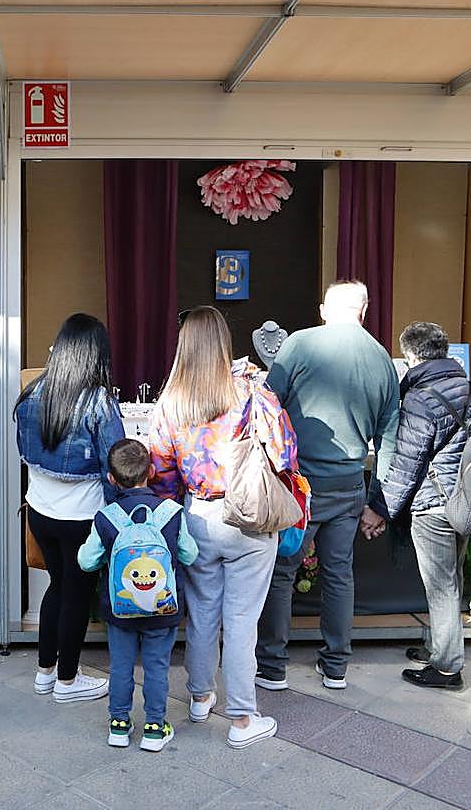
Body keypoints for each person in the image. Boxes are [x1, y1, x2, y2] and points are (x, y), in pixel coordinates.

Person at [150, 306, 297, 749]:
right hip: (249, 518)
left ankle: (199, 698)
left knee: (202, 615)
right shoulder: (251, 391)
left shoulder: (171, 400)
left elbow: (160, 472)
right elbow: (286, 452)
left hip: (198, 517)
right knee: (240, 620)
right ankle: (241, 718)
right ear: (223, 342)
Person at [256, 281, 400, 691]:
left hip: (300, 485)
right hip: (351, 482)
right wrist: (378, 503)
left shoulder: (301, 344)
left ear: (323, 309)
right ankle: (335, 665)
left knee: (282, 571)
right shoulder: (382, 359)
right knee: (340, 575)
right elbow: (390, 440)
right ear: (365, 310)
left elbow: (266, 405)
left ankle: (272, 666)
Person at [16, 313, 124, 703]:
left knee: (56, 588)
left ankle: (45, 671)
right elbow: (117, 464)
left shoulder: (32, 393)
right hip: (81, 518)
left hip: (40, 511)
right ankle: (67, 680)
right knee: (77, 595)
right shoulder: (99, 402)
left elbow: (24, 452)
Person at [381, 322, 471, 690]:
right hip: (468, 501)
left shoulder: (419, 397)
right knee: (452, 579)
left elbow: (407, 462)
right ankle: (437, 646)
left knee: (442, 585)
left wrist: (382, 510)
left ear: (410, 356)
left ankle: (446, 667)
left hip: (434, 506)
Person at [78, 439, 198, 752]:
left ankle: (119, 725)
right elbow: (190, 554)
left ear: (111, 478)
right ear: (152, 471)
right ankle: (155, 728)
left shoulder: (107, 517)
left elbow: (86, 561)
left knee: (121, 665)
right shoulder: (172, 512)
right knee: (157, 666)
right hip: (163, 608)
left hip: (120, 609)